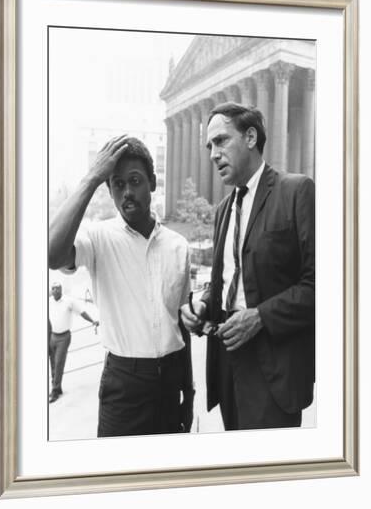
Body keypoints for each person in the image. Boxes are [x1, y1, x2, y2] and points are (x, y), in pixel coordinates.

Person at [181, 102, 315, 431]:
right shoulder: (223, 210)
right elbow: (229, 280)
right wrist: (201, 305)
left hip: (275, 372)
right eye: (209, 145)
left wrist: (261, 317)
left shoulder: (297, 191)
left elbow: (322, 285)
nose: (213, 153)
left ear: (251, 137)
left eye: (221, 141)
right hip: (227, 364)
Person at [49, 136, 194, 436]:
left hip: (171, 382)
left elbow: (181, 323)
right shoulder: (97, 239)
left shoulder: (178, 246)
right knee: (117, 475)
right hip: (123, 384)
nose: (127, 192)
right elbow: (51, 254)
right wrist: (92, 178)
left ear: (152, 183)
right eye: (117, 184)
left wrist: (188, 393)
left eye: (136, 181)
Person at [49, 281, 98, 403]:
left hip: (64, 337)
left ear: (61, 290)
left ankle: (54, 391)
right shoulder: (48, 302)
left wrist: (92, 321)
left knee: (59, 362)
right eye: (53, 288)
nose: (55, 291)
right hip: (52, 336)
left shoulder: (69, 301)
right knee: (53, 363)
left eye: (57, 288)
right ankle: (57, 387)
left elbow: (82, 312)